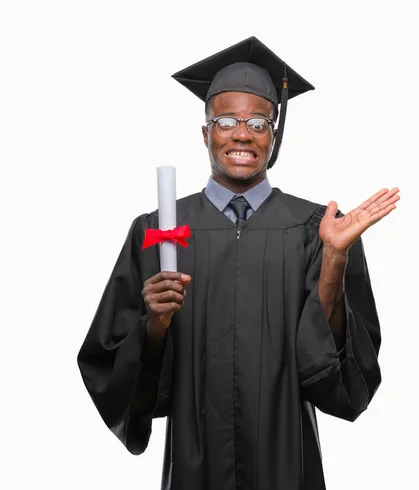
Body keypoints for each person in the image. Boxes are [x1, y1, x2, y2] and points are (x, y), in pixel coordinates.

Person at [77, 36, 400, 490]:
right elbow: (111, 366)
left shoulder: (318, 229)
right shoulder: (157, 229)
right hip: (195, 462)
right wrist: (153, 324)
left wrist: (333, 260)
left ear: (274, 134)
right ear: (205, 131)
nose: (243, 134)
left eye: (259, 122)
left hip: (288, 462)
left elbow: (337, 378)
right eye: (226, 121)